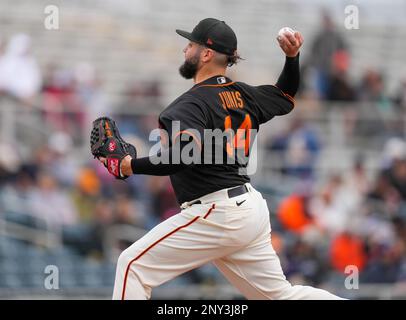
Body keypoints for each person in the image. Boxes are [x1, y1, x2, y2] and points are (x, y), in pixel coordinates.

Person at [101, 18, 344, 300]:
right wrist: (292, 59)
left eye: (190, 44)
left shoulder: (189, 104)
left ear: (205, 54)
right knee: (280, 296)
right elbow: (285, 95)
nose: (185, 49)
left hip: (217, 211)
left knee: (132, 265)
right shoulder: (244, 95)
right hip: (248, 208)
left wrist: (130, 165)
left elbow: (182, 155)